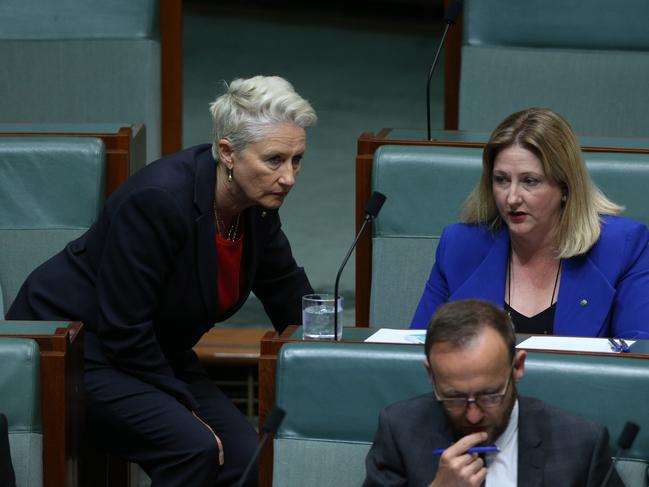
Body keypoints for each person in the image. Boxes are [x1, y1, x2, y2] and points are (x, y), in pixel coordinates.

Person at [7, 75, 316, 486]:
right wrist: (184, 408)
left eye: (297, 160)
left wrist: (330, 347)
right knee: (193, 447)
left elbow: (286, 290)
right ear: (227, 152)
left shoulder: (255, 208)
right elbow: (124, 326)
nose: (289, 177)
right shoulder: (159, 200)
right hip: (77, 351)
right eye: (275, 160)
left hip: (152, 351)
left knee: (245, 457)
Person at [410, 108, 649, 338]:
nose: (512, 198)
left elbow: (638, 356)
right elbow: (420, 347)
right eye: (502, 180)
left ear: (565, 187)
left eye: (530, 181)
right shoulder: (459, 246)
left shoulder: (622, 247)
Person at [364, 299, 623, 487]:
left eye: (490, 395)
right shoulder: (401, 430)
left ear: (517, 367)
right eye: (454, 398)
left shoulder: (579, 444)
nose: (474, 415)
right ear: (431, 375)